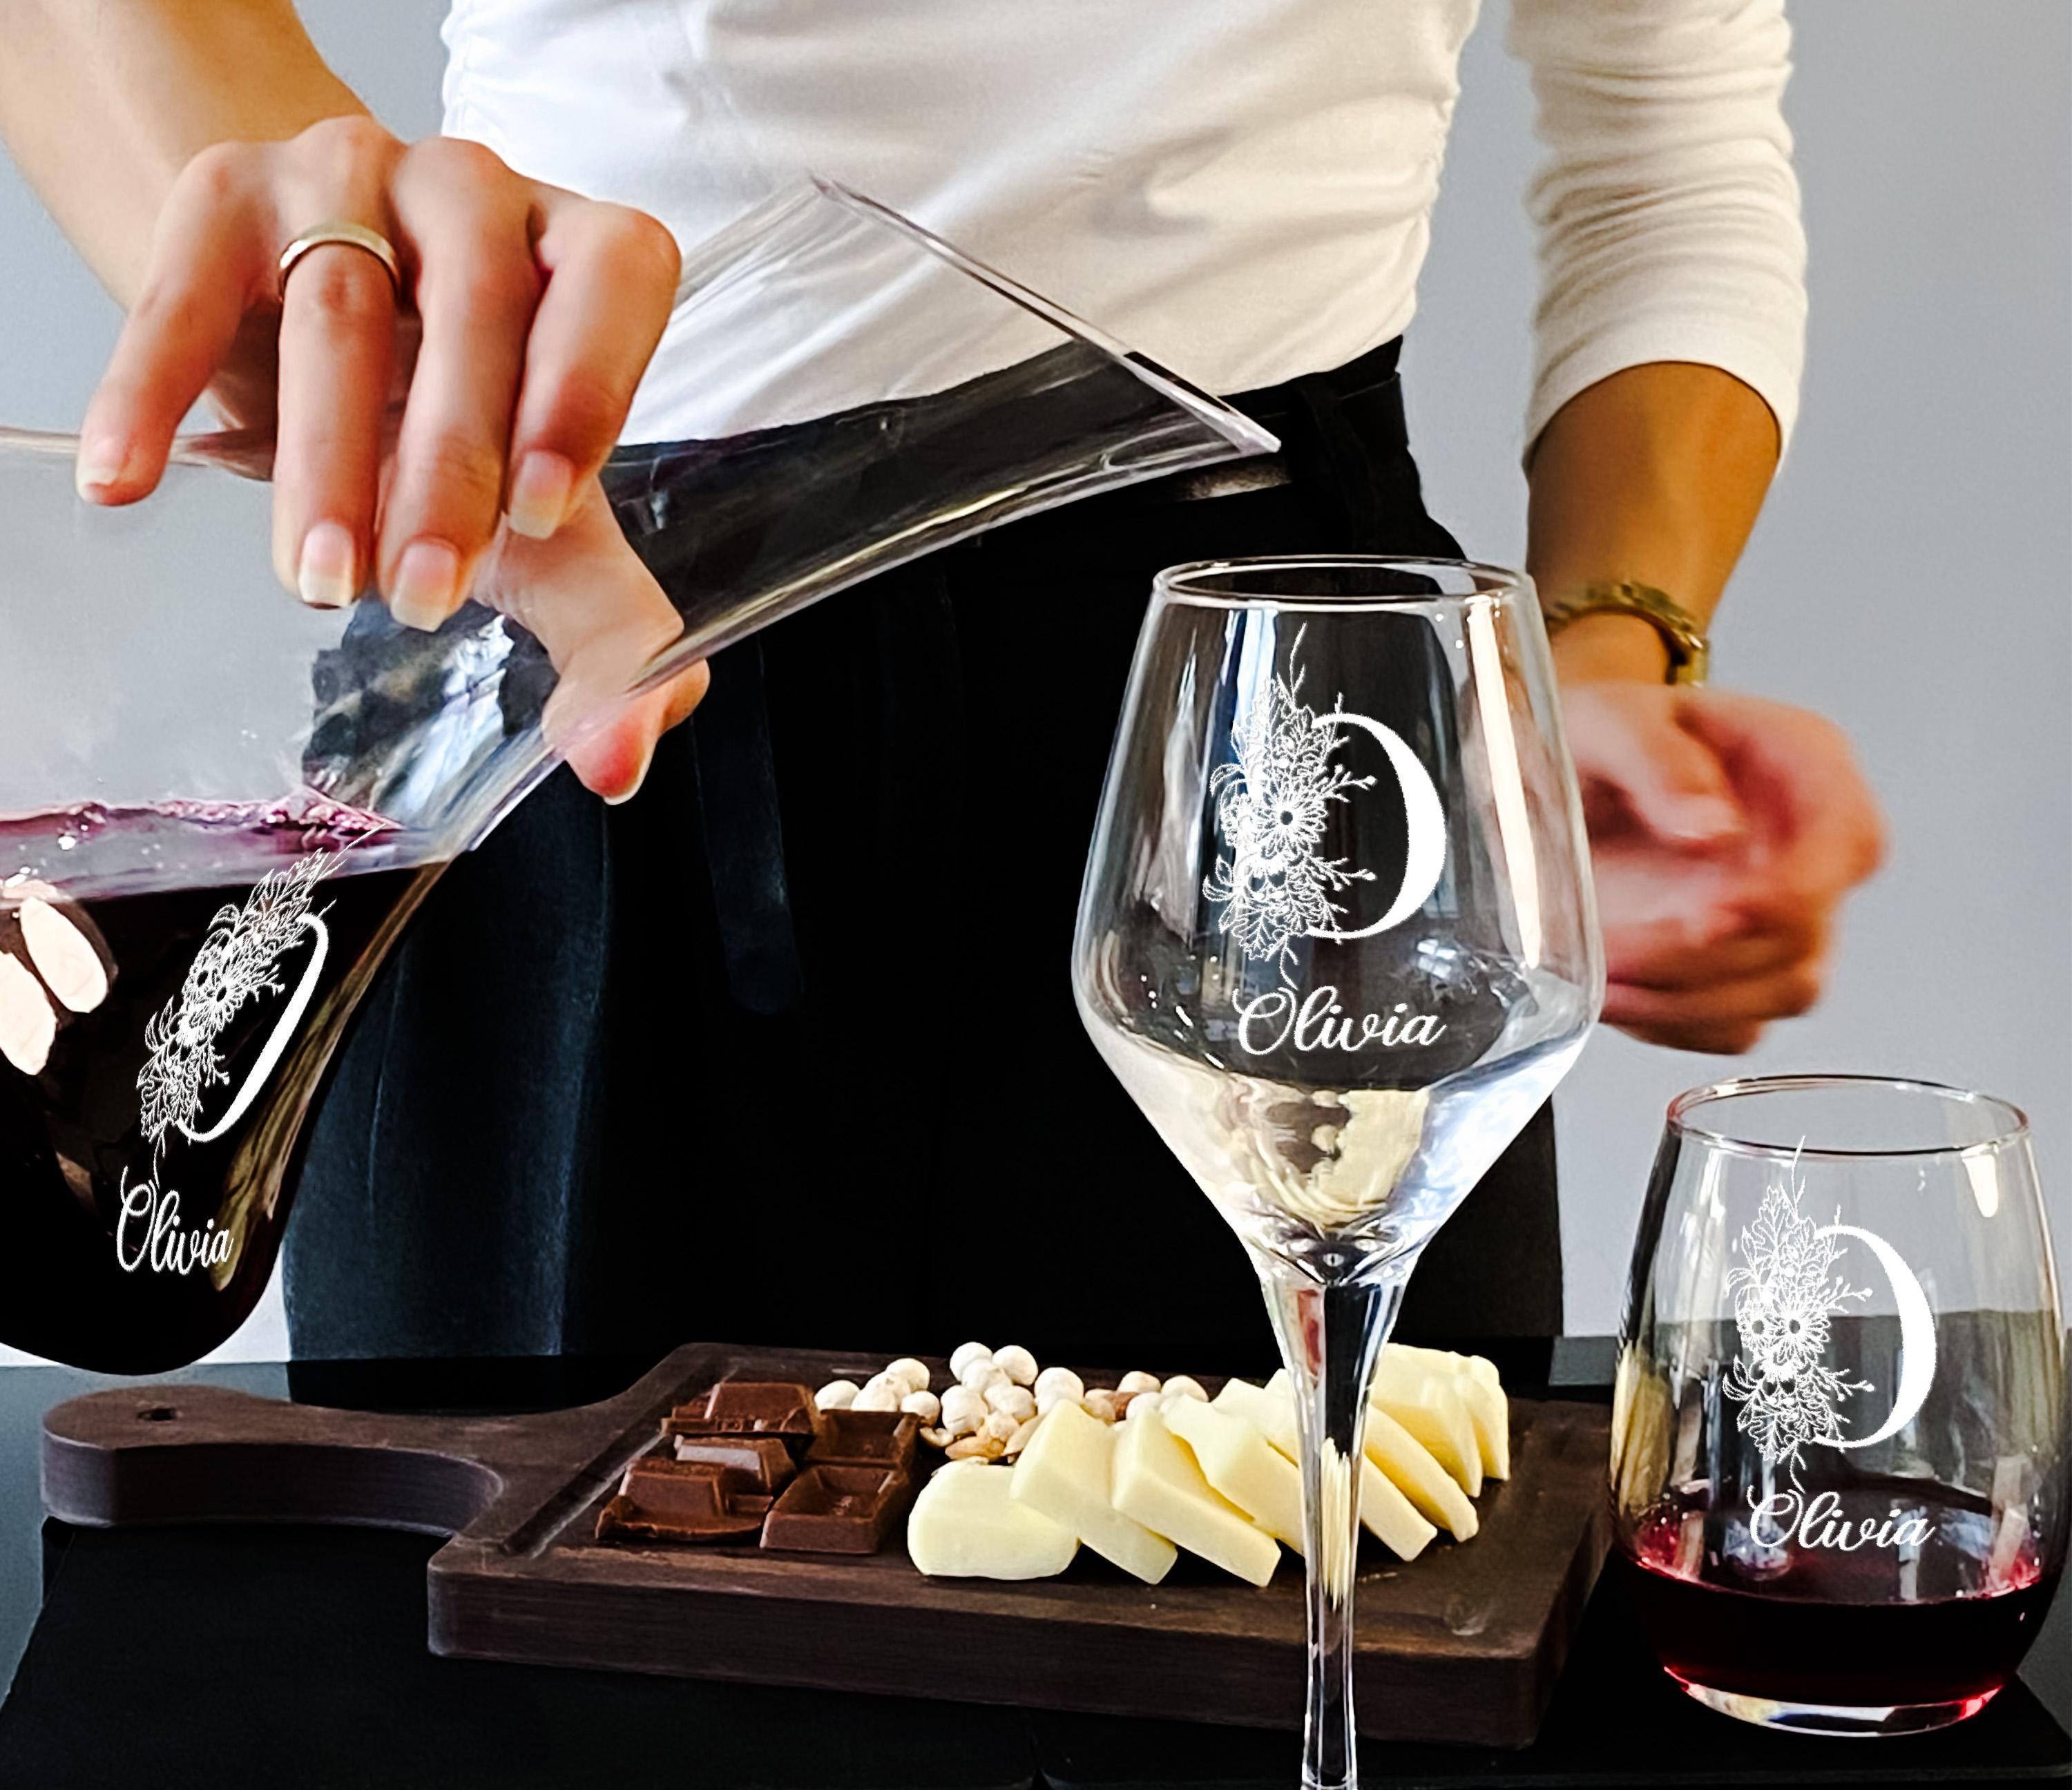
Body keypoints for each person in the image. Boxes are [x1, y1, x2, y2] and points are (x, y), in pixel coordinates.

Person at [0, 0, 1882, 1372]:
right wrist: (366, 314)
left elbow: (1671, 142)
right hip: (573, 651)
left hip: (1275, 715)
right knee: (537, 1717)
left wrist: (1598, 659)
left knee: (1335, 1680)